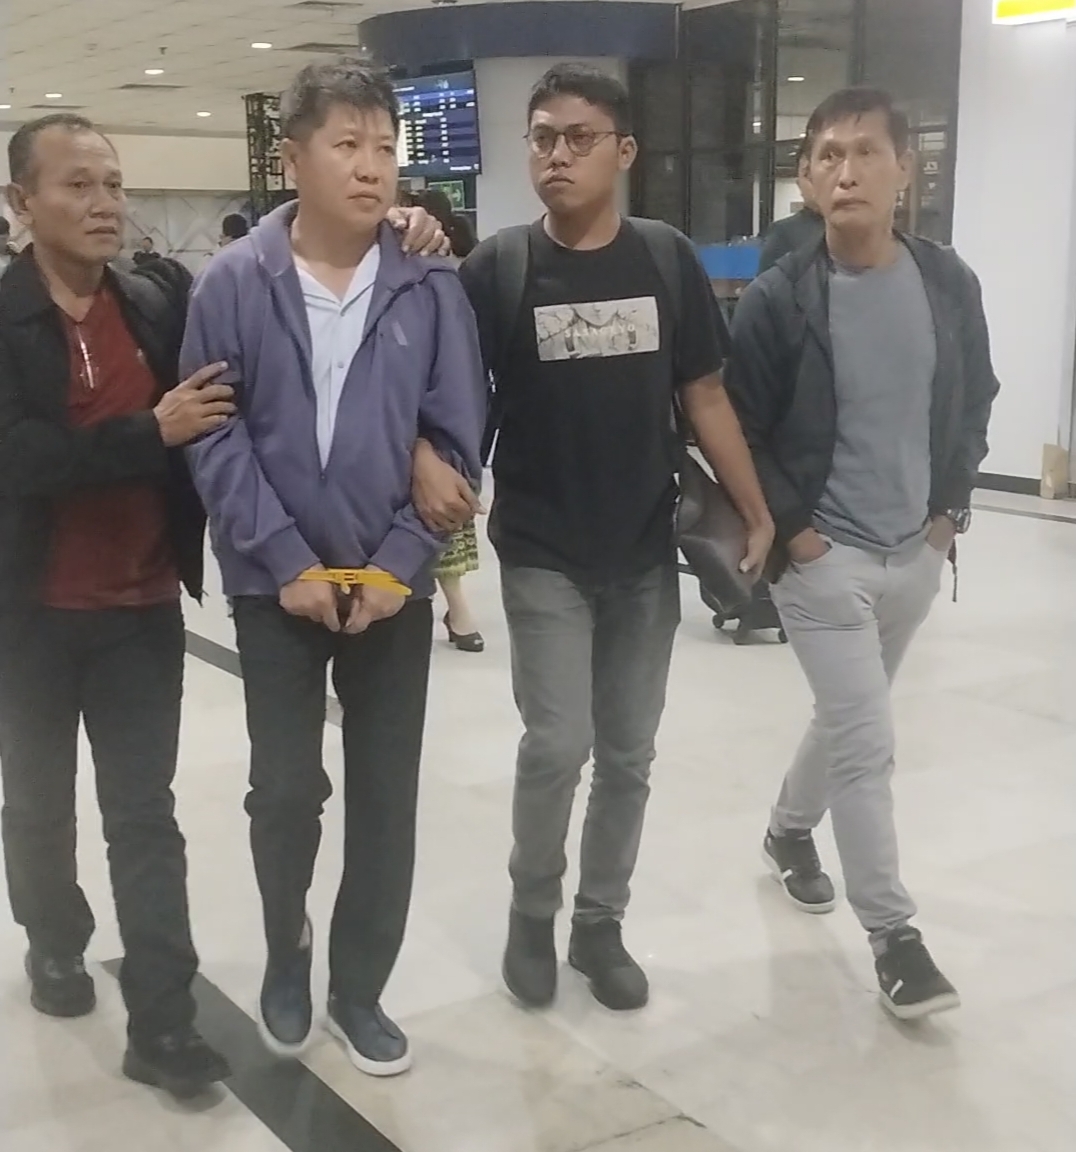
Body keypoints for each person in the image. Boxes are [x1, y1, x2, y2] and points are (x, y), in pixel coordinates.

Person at [413, 63, 773, 1012]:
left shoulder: (664, 258)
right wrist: (430, 463)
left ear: (624, 152)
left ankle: (599, 923)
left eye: (579, 137)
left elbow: (703, 393)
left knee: (628, 754)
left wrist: (755, 507)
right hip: (542, 549)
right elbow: (445, 391)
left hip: (645, 550)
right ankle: (532, 915)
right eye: (542, 137)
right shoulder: (501, 268)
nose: (558, 155)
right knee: (556, 743)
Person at [182, 60, 485, 1077]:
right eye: (346, 145)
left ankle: (360, 989)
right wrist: (282, 558)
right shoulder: (234, 283)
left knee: (385, 798)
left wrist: (400, 563)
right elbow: (213, 433)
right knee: (282, 791)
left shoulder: (429, 283)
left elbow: (458, 435)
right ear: (292, 158)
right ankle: (287, 950)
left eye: (384, 147)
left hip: (392, 586)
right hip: (277, 587)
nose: (370, 167)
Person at [724, 88, 999, 1021]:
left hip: (914, 551)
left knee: (850, 718)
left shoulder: (946, 282)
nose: (846, 172)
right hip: (823, 561)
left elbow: (973, 395)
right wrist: (797, 533)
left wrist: (948, 512)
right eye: (827, 157)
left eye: (866, 153)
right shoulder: (780, 299)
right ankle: (895, 936)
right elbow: (742, 428)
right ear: (806, 179)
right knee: (868, 741)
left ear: (903, 171)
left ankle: (786, 831)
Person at [0, 113, 235, 1098]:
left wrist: (401, 227)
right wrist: (151, 432)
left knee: (144, 815)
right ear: (21, 203)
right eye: (77, 185)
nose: (103, 204)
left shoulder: (152, 298)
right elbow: (19, 457)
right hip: (30, 615)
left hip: (141, 606)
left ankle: (164, 1023)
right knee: (39, 801)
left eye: (112, 183)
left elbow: (253, 301)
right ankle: (54, 938)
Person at [415, 188, 484, 652]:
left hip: (441, 414)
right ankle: (457, 611)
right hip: (413, 417)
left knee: (445, 514)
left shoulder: (445, 272)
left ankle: (458, 609)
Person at [757, 137, 824, 275]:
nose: (815, 181)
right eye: (807, 174)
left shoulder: (857, 228)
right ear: (798, 184)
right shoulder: (782, 232)